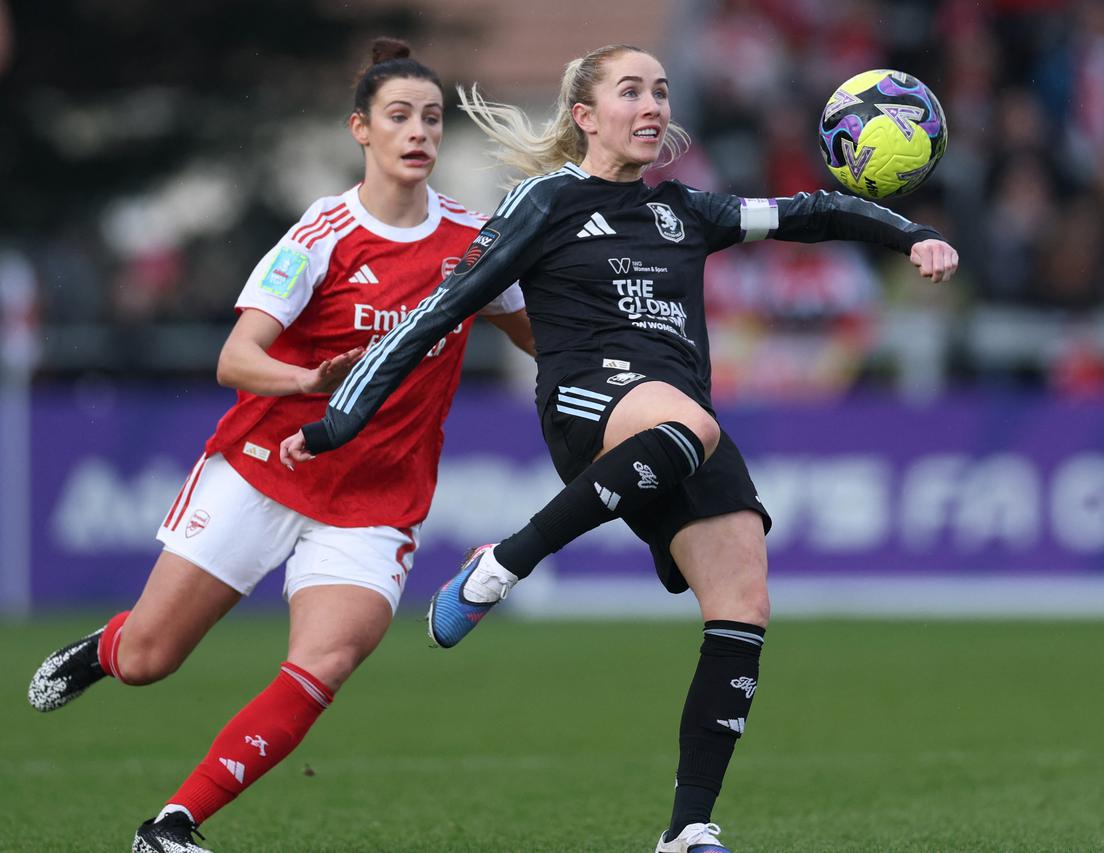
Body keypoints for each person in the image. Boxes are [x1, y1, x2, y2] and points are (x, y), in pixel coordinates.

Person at [286, 43, 957, 853]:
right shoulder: (545, 201)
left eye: (661, 92)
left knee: (743, 595)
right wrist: (338, 419)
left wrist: (910, 232)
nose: (651, 107)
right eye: (630, 91)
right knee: (697, 426)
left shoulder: (685, 211)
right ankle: (505, 562)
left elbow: (811, 211)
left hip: (669, 423)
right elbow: (440, 309)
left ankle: (687, 827)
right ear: (584, 115)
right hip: (587, 404)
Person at [27, 38, 534, 853]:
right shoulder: (322, 232)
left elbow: (538, 337)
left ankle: (171, 824)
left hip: (375, 500)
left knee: (326, 660)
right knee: (152, 657)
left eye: (431, 119)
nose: (418, 132)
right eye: (398, 116)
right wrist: (305, 383)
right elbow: (235, 357)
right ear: (359, 130)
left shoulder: (477, 245)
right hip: (266, 467)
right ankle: (106, 647)